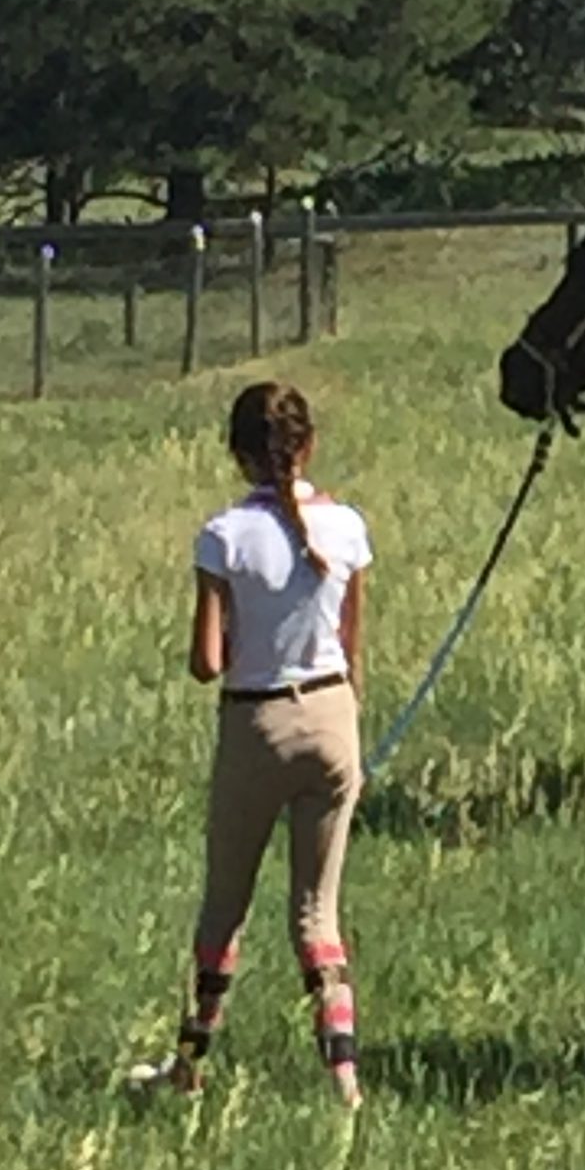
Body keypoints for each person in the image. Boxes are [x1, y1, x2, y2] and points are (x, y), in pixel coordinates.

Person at [132, 380, 374, 1106]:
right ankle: (345, 1081)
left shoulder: (224, 536)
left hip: (256, 722)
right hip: (334, 720)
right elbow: (351, 645)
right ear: (310, 445)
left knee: (224, 908)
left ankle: (189, 1066)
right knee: (317, 913)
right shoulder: (349, 527)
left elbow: (206, 661)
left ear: (238, 454)